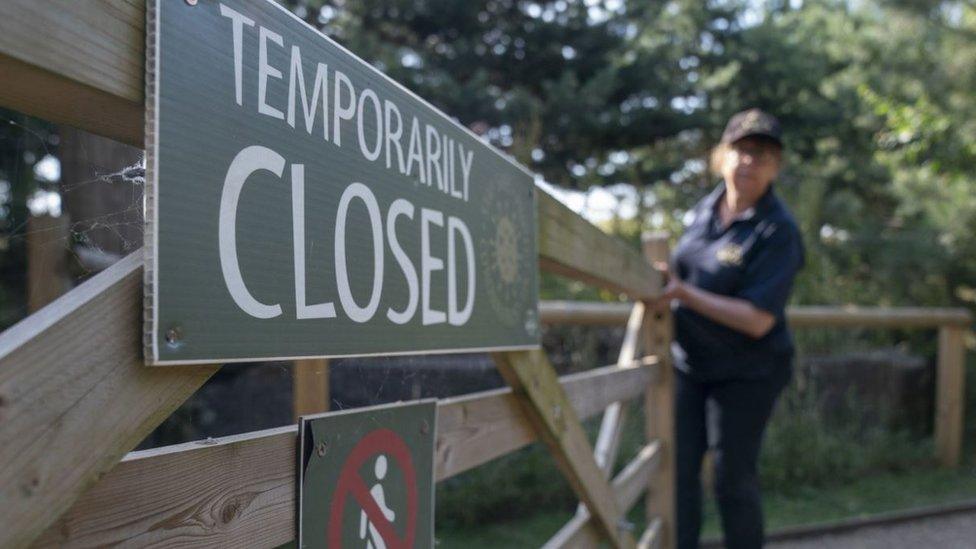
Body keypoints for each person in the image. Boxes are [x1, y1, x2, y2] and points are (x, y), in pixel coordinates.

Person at [653, 109, 804, 549]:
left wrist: (682, 294)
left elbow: (758, 320)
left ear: (775, 166)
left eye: (761, 154)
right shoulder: (703, 210)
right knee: (677, 473)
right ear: (722, 156)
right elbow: (679, 273)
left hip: (749, 372)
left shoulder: (778, 231)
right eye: (740, 151)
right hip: (690, 366)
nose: (748, 162)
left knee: (731, 477)